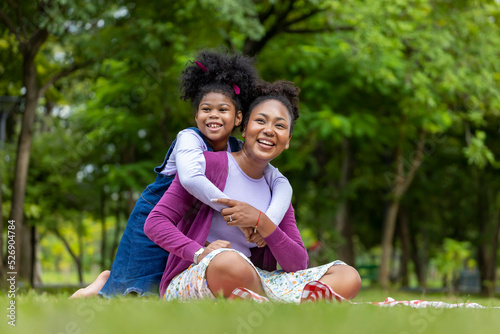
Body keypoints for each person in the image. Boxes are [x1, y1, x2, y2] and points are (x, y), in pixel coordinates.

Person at [71, 50, 293, 298]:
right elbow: (190, 179)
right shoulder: (189, 139)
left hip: (190, 223)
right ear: (196, 115)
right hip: (159, 213)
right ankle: (94, 292)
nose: (214, 116)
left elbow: (277, 179)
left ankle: (103, 284)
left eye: (223, 110)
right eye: (206, 109)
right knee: (137, 288)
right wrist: (232, 213)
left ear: (238, 118)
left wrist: (265, 222)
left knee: (163, 289)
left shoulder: (237, 149)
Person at [144, 81, 362, 303]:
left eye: (279, 126)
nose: (269, 130)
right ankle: (288, 304)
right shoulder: (207, 167)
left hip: (257, 278)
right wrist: (200, 252)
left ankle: (267, 303)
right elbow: (156, 222)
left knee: (347, 276)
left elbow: (297, 264)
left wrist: (261, 221)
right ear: (245, 127)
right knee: (228, 262)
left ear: (287, 141)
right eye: (260, 121)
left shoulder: (276, 190)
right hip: (199, 274)